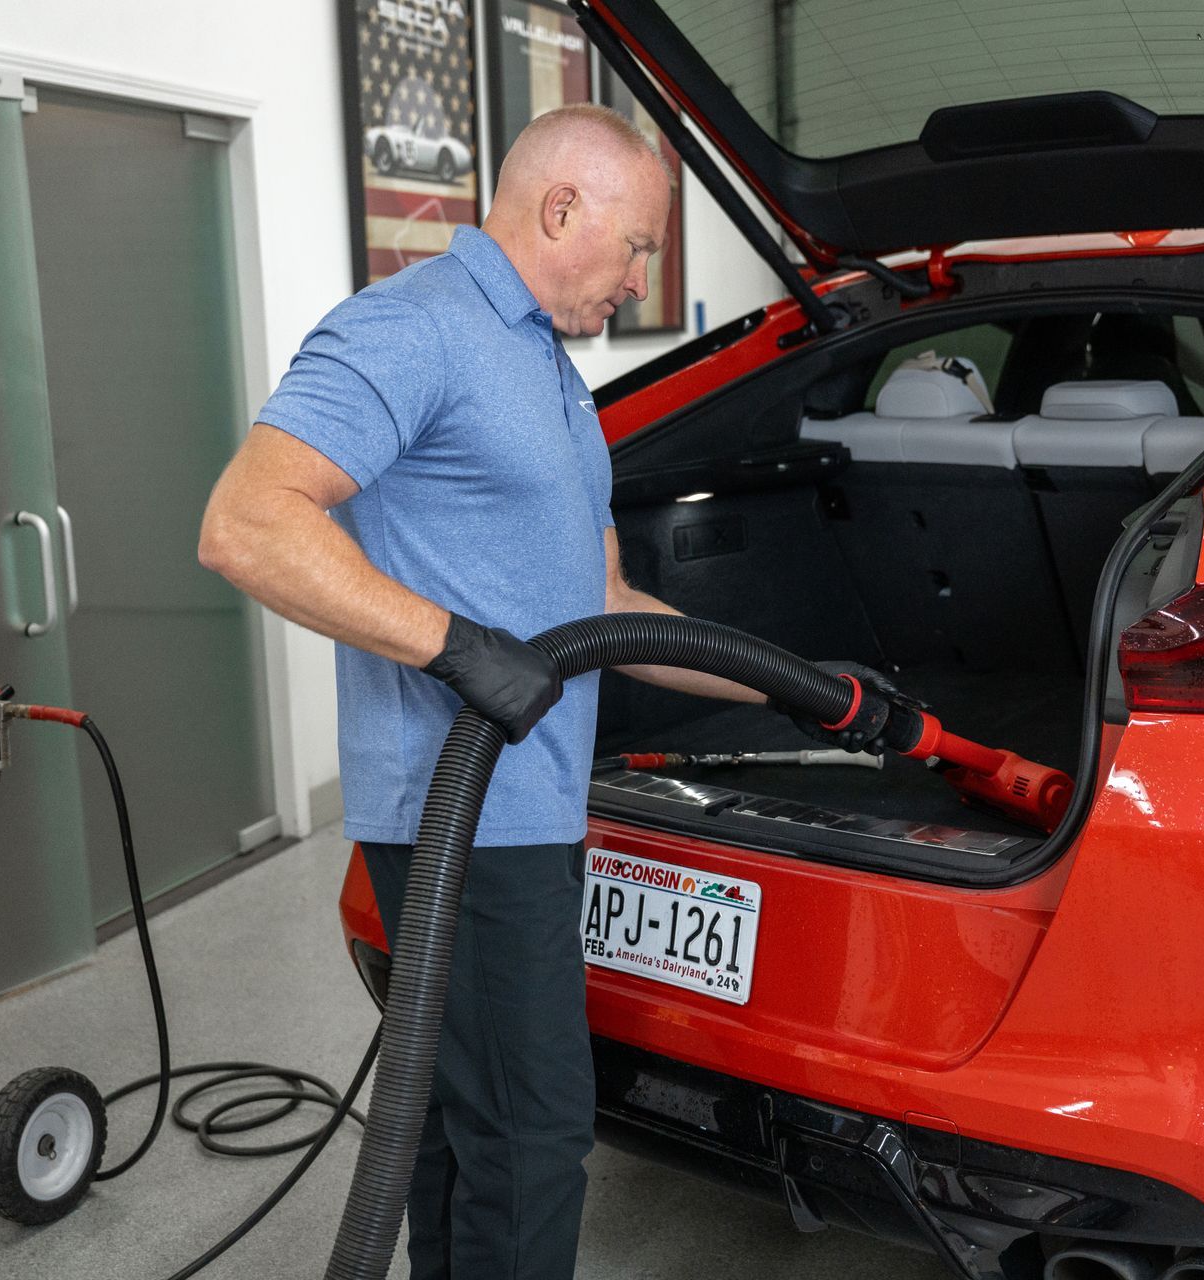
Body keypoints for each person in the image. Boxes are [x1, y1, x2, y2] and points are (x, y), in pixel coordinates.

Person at [198, 104, 901, 1279]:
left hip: (527, 812)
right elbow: (248, 521)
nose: (640, 277)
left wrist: (791, 686)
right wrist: (456, 645)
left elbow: (607, 606)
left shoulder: (539, 362)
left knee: (455, 1122)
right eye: (635, 247)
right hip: (458, 818)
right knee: (530, 1132)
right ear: (560, 207)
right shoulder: (412, 328)